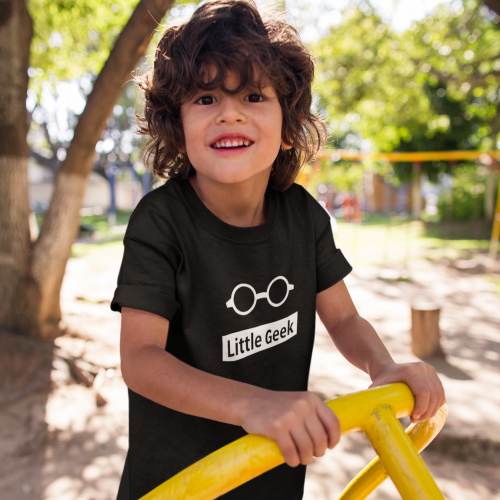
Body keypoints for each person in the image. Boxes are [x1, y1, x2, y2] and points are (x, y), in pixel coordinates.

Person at [110, 1, 446, 498]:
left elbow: (345, 321)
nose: (230, 114)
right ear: (176, 124)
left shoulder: (302, 216)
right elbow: (140, 359)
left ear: (287, 123)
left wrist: (383, 367)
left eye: (252, 95)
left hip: (273, 475)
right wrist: (254, 405)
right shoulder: (161, 222)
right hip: (182, 483)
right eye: (205, 98)